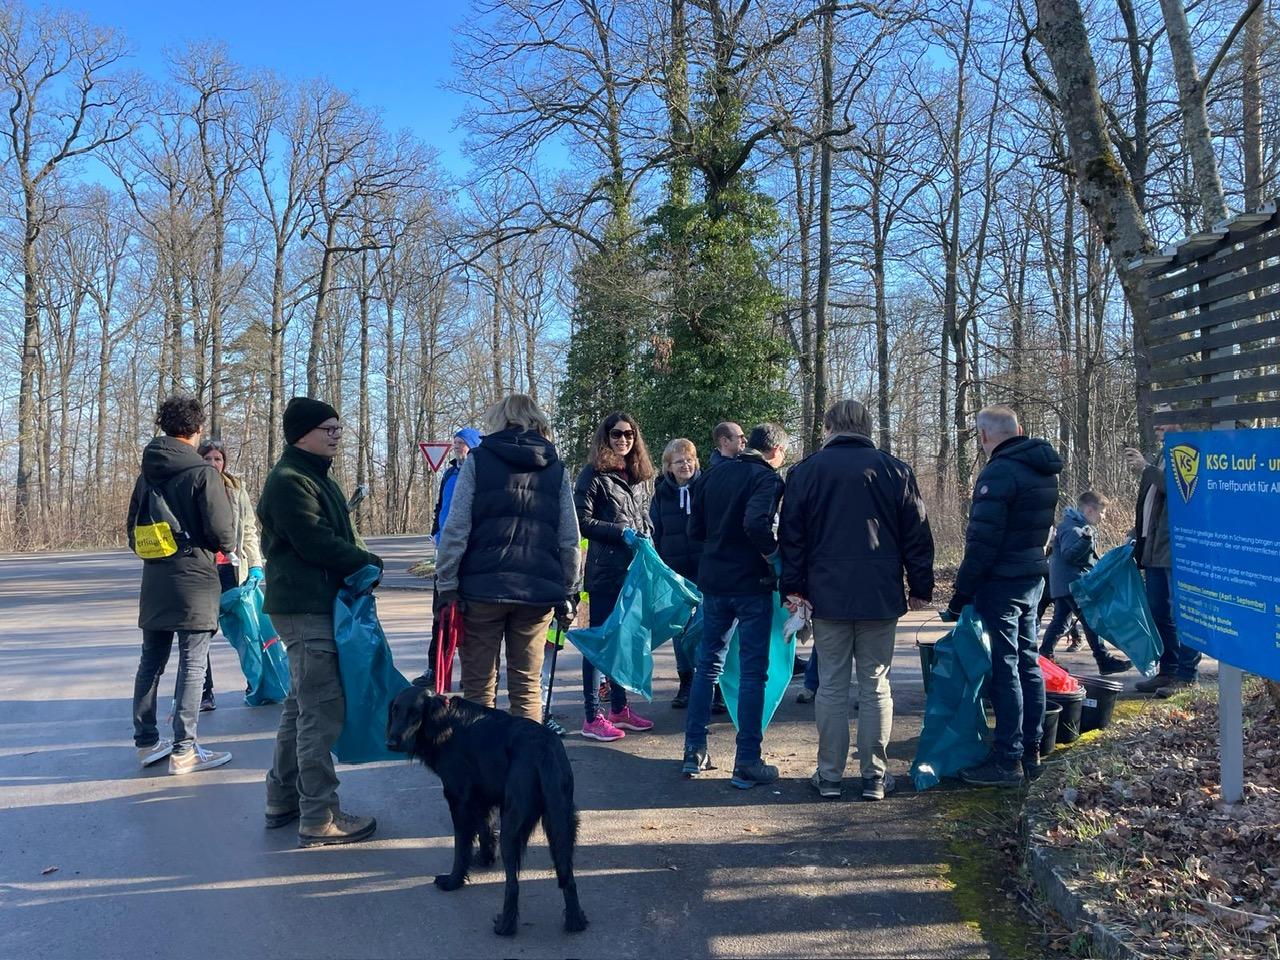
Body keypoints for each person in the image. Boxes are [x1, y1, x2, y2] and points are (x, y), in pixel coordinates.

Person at [779, 400, 935, 801]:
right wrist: (920, 586)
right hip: (879, 592)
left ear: (829, 426)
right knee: (875, 684)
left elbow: (792, 537)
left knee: (830, 684)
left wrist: (793, 589)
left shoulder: (806, 471)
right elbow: (916, 531)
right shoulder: (895, 469)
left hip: (826, 591)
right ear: (867, 426)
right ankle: (875, 777)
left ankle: (830, 776)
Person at [257, 397, 384, 847]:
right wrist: (367, 560)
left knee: (299, 705)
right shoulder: (291, 482)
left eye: (337, 427)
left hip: (314, 605)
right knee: (320, 710)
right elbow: (316, 542)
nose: (336, 434)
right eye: (327, 427)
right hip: (304, 608)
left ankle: (282, 797)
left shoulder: (313, 477)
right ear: (301, 434)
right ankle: (319, 815)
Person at [433, 395, 581, 722]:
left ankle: (482, 767)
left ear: (499, 420)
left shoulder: (479, 461)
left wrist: (447, 583)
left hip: (481, 590)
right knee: (527, 686)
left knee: (478, 687)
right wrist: (569, 587)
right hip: (536, 593)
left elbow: (455, 528)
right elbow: (569, 536)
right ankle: (524, 766)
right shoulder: (555, 467)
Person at [944, 405, 1061, 788]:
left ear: (984, 436)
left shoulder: (999, 472)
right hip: (1033, 577)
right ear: (1020, 428)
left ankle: (1007, 759)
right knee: (1028, 661)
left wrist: (960, 594)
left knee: (1006, 665)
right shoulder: (1043, 470)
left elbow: (983, 541)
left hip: (1004, 580)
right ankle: (1033, 751)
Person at [128, 395, 238, 775]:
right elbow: (225, 534)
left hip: (155, 578)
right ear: (197, 429)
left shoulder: (147, 474)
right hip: (194, 577)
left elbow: (132, 531)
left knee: (151, 662)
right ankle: (184, 750)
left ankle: (145, 743)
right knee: (192, 664)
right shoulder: (202, 474)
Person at [682, 423, 788, 789]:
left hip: (714, 582)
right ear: (774, 451)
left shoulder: (711, 476)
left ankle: (693, 750)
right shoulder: (767, 479)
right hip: (751, 584)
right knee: (753, 671)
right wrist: (774, 556)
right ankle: (747, 760)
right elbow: (756, 523)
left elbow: (694, 530)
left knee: (707, 666)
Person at [574, 412, 656, 741]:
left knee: (623, 642)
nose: (623, 440)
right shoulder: (593, 474)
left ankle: (619, 710)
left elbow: (642, 515)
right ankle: (592, 716)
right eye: (616, 434)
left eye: (629, 435)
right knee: (599, 643)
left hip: (633, 571)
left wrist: (646, 532)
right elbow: (582, 520)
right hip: (606, 571)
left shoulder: (637, 476)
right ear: (605, 437)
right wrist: (621, 532)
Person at [1127, 410, 1199, 696]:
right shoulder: (1161, 455)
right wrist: (1137, 532)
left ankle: (1186, 674)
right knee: (1159, 612)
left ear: (1181, 422)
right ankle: (1167, 671)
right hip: (1153, 547)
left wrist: (1146, 467)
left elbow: (1179, 489)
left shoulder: (1190, 452)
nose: (1157, 427)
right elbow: (1151, 502)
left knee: (1183, 613)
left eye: (1164, 421)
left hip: (1176, 548)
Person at [196, 438, 265, 710]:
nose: (214, 463)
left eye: (218, 459)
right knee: (201, 635)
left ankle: (256, 682)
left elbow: (248, 529)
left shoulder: (236, 489)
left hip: (233, 570)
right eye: (208, 458)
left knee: (248, 631)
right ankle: (203, 690)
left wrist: (256, 564)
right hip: (203, 571)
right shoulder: (193, 487)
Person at [1041, 492, 1130, 674]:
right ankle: (1103, 660)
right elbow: (1069, 555)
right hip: (1073, 585)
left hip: (1065, 584)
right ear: (1090, 510)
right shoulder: (1074, 529)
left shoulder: (1074, 525)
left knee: (1061, 621)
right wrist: (1085, 539)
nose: (1103, 517)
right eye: (1102, 512)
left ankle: (1045, 656)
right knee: (1092, 619)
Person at [421, 426, 482, 689]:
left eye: (462, 442)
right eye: (455, 442)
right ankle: (435, 672)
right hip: (445, 554)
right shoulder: (449, 473)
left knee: (472, 621)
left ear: (473, 445)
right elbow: (440, 506)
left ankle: (477, 677)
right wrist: (436, 530)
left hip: (470, 557)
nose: (456, 446)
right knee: (440, 615)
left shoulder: (480, 474)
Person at [650, 438, 703, 708]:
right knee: (679, 628)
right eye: (679, 461)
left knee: (706, 627)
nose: (686, 465)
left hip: (705, 569)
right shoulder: (661, 494)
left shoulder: (707, 488)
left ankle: (711, 683)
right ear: (669, 467)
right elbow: (654, 530)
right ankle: (686, 681)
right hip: (674, 572)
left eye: (689, 459)